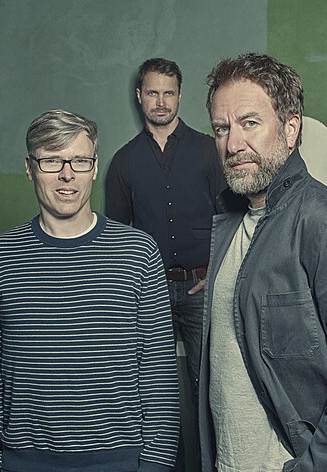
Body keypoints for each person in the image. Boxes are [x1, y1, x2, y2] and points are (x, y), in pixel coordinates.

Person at [198, 53, 327, 472]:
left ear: (291, 128)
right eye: (222, 128)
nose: (233, 144)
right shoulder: (228, 223)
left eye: (250, 123)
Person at [0, 109, 180, 471]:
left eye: (80, 161)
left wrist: (156, 465)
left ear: (94, 167)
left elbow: (158, 374)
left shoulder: (138, 253)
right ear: (29, 168)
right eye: (52, 160)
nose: (67, 174)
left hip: (122, 462)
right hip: (23, 463)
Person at [105, 58, 225, 471]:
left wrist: (216, 272)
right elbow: (116, 237)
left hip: (201, 287)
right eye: (153, 93)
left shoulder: (208, 150)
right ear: (140, 96)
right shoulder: (124, 161)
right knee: (154, 394)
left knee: (208, 390)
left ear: (179, 95)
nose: (161, 101)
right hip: (149, 291)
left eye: (168, 93)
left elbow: (230, 218)